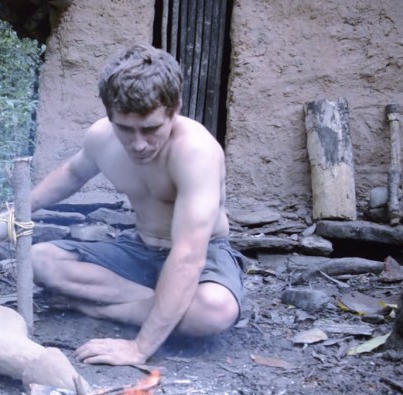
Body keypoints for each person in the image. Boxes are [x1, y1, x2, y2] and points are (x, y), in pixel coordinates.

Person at [29, 43, 246, 366]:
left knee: (214, 311)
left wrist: (139, 348)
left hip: (203, 256)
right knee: (37, 259)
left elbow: (188, 256)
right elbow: (72, 173)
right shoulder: (101, 138)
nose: (139, 144)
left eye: (151, 128)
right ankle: (167, 308)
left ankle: (96, 305)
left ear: (174, 110)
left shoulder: (196, 152)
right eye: (125, 129)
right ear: (109, 116)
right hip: (139, 249)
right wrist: (15, 211)